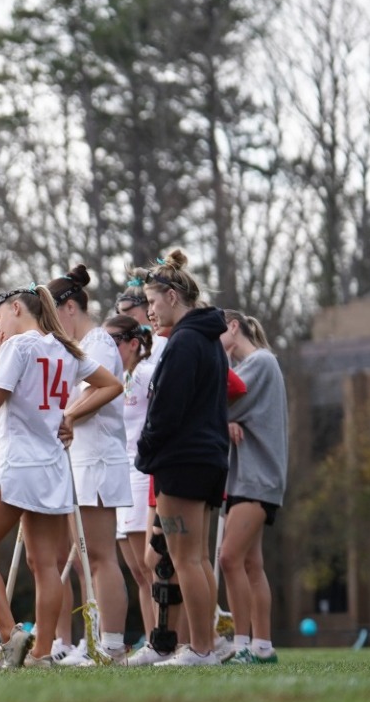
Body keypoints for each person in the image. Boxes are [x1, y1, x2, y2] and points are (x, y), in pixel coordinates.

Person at [0, 283, 123, 669]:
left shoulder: (17, 347)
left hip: (17, 466)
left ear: (16, 307)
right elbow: (112, 384)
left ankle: (9, 633)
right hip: (52, 469)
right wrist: (70, 416)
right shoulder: (65, 348)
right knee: (45, 566)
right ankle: (42, 653)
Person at [128, 250, 232, 666]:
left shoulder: (186, 342)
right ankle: (205, 645)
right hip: (206, 459)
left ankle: (203, 648)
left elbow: (167, 409)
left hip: (183, 461)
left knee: (185, 557)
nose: (149, 312)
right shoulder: (206, 339)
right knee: (198, 557)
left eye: (152, 302)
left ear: (172, 296)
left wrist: (146, 451)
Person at [47, 265, 132, 666]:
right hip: (82, 459)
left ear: (69, 308)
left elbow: (102, 389)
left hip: (99, 458)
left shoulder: (98, 342)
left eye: (51, 314)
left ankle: (111, 642)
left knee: (99, 555)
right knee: (83, 559)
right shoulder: (78, 349)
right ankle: (93, 639)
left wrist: (68, 416)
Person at [218, 310, 285, 664]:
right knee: (250, 564)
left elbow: (218, 401)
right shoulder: (258, 364)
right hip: (250, 478)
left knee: (228, 558)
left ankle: (242, 644)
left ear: (233, 328)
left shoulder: (259, 362)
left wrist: (225, 419)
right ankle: (263, 646)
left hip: (257, 480)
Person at [106, 311, 161, 650]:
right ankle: (153, 640)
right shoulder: (119, 377)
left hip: (142, 473)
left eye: (114, 342)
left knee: (151, 566)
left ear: (133, 344)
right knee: (138, 573)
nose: (109, 349)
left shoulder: (146, 373)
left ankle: (168, 639)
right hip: (119, 474)